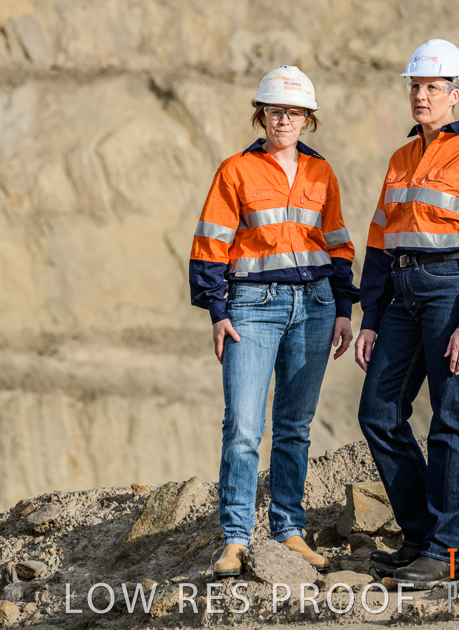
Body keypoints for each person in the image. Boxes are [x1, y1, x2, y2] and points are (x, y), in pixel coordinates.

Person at [190, 65, 358, 578]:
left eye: (294, 112)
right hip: (251, 308)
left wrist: (344, 309)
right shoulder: (235, 170)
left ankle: (288, 529)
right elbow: (210, 243)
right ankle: (236, 538)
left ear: (308, 119)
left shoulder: (321, 172)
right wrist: (217, 312)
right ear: (261, 114)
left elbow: (338, 243)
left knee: (294, 428)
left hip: (316, 306)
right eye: (275, 111)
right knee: (243, 426)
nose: (284, 120)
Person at [355, 39, 459, 589]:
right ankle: (420, 536)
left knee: (451, 418)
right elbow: (379, 243)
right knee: (377, 413)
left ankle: (445, 550)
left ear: (455, 93)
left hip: (451, 290)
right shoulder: (400, 159)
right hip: (401, 294)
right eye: (415, 86)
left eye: (432, 87)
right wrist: (371, 317)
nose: (421, 95)